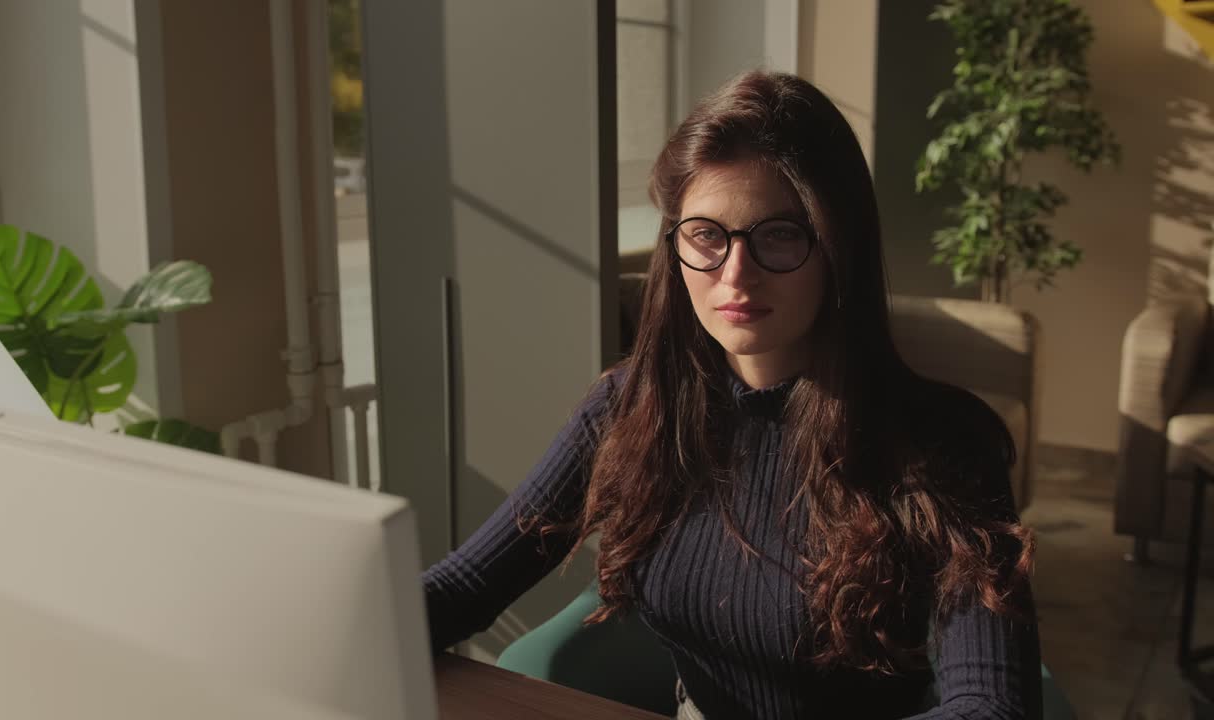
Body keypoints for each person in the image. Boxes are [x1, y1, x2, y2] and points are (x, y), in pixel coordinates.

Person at [422, 70, 1041, 719]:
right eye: (707, 236)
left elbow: (991, 708)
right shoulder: (630, 407)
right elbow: (466, 585)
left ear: (838, 246)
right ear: (676, 245)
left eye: (779, 235)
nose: (735, 275)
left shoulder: (944, 448)